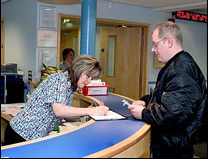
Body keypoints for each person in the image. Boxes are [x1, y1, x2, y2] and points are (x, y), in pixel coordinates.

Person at [128, 21, 207, 158]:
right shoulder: (174, 65)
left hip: (174, 147)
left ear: (169, 42)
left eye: (155, 44)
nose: (153, 49)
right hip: (169, 143)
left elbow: (173, 113)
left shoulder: (181, 70)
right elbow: (164, 96)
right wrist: (145, 102)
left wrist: (143, 113)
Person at [4, 54, 109, 145]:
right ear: (79, 70)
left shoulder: (69, 85)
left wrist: (87, 112)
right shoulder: (59, 80)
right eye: (88, 76)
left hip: (32, 136)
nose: (89, 81)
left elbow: (64, 111)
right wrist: (89, 110)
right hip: (21, 134)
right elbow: (59, 110)